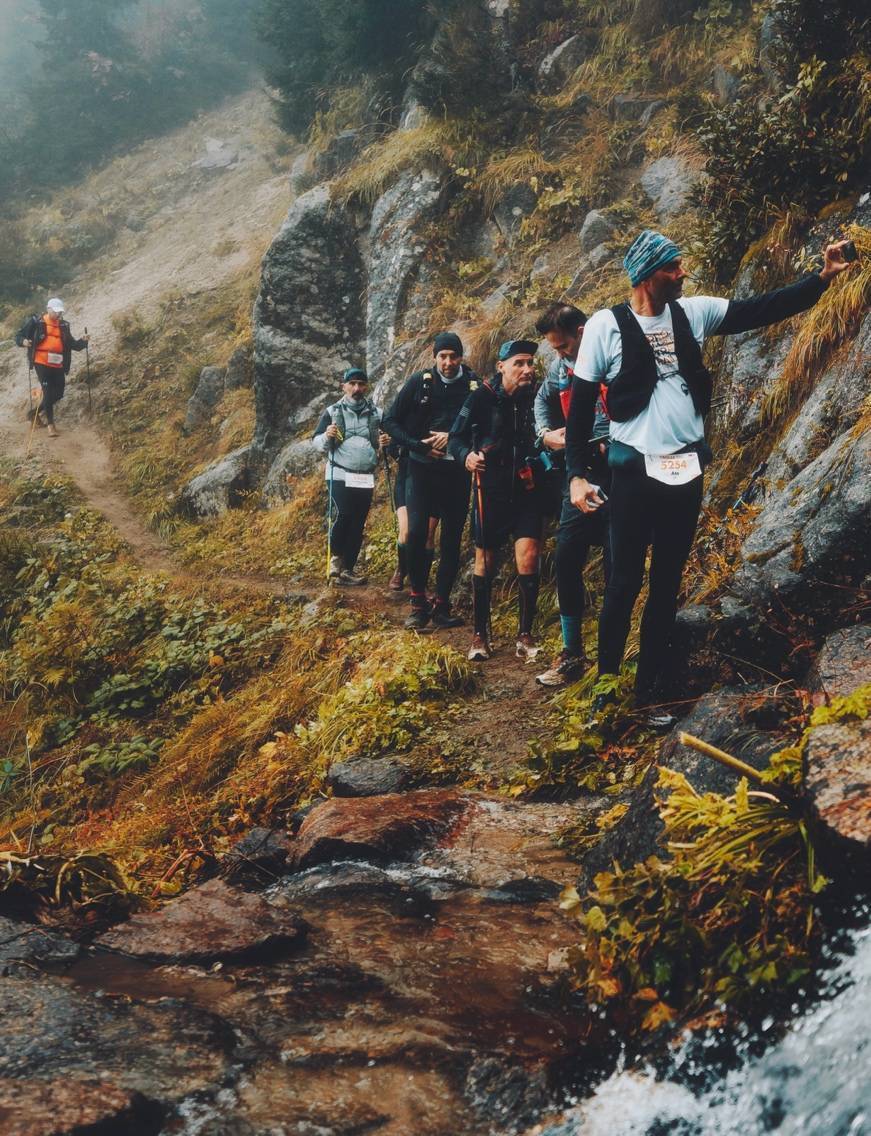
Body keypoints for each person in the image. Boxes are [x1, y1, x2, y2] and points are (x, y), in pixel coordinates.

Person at [566, 229, 856, 725]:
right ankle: (606, 689)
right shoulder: (604, 327)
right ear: (644, 276)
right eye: (671, 267)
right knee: (623, 583)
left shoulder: (692, 311)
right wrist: (575, 475)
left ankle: (649, 694)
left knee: (665, 585)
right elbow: (579, 411)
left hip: (685, 467)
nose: (682, 274)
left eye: (679, 265)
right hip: (632, 468)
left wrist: (822, 278)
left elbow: (759, 309)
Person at [449, 339, 548, 662]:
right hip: (489, 488)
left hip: (528, 487)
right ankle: (480, 635)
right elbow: (456, 437)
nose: (527, 370)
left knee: (529, 556)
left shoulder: (538, 396)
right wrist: (467, 457)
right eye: (519, 363)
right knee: (486, 562)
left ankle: (525, 634)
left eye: (530, 363)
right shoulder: (481, 397)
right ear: (501, 366)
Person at [532, 303, 612, 687]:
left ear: (582, 331)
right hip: (578, 472)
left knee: (617, 565)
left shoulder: (615, 354)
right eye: (555, 348)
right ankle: (571, 653)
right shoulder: (560, 368)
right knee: (566, 559)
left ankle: (613, 660)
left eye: (563, 345)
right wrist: (546, 433)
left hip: (620, 474)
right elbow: (543, 400)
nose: (560, 354)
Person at [383, 332, 477, 629]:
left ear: (461, 357)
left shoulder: (473, 385)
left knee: (450, 539)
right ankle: (418, 602)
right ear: (434, 356)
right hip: (421, 469)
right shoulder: (419, 382)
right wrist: (419, 445)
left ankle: (441, 604)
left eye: (453, 356)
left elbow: (485, 425)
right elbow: (388, 420)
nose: (448, 363)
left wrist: (453, 439)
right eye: (442, 356)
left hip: (457, 471)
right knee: (416, 534)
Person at [312, 367, 386, 586]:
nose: (357, 388)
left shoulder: (376, 413)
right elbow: (316, 443)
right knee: (344, 514)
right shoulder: (332, 412)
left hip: (365, 476)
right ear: (343, 386)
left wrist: (386, 443)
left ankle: (348, 569)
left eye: (361, 384)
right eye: (352, 383)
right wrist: (326, 435)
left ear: (366, 386)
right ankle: (335, 559)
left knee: (358, 522)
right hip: (339, 472)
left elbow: (389, 436)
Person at [16, 298, 88, 438]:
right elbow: (19, 335)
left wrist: (83, 342)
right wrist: (23, 341)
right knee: (48, 392)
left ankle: (33, 413)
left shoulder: (64, 325)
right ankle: (51, 425)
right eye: (56, 311)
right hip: (41, 362)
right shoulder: (36, 322)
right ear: (48, 309)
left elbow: (72, 344)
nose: (58, 314)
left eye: (60, 312)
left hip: (58, 363)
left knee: (59, 393)